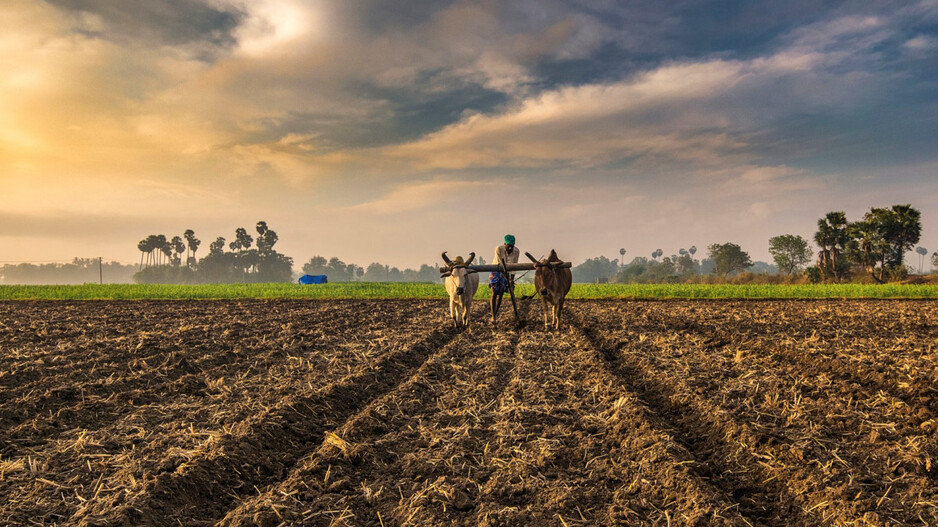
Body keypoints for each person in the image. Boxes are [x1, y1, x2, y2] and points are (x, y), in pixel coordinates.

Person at [489, 234, 519, 325]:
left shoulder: (516, 251)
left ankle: (496, 314)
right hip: (496, 270)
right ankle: (493, 316)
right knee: (494, 292)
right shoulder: (498, 249)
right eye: (508, 246)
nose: (510, 248)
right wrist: (507, 279)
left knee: (501, 294)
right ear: (504, 244)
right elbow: (500, 266)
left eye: (512, 246)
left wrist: (511, 280)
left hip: (508, 273)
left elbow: (514, 266)